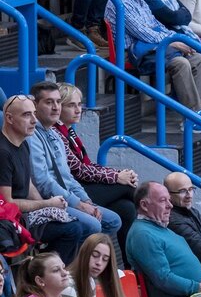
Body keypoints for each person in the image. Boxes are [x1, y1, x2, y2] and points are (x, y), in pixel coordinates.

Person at [105, 0, 201, 116]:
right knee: (180, 63)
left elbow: (156, 26)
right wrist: (173, 41)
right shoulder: (119, 2)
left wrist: (174, 39)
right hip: (134, 53)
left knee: (199, 58)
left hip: (153, 47)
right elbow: (143, 33)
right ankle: (193, 117)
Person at [54, 84, 138, 268]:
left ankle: (130, 269)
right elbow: (79, 170)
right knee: (128, 188)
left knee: (126, 208)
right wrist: (117, 178)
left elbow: (88, 165)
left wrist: (117, 174)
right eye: (71, 105)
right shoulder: (56, 134)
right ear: (58, 107)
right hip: (73, 191)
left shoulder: (70, 131)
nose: (78, 109)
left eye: (80, 104)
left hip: (83, 186)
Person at [28, 81, 121, 242]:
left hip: (67, 196)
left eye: (58, 102)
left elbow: (68, 176)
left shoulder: (56, 135)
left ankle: (80, 260)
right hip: (48, 201)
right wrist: (79, 204)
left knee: (113, 220)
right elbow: (43, 182)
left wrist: (86, 201)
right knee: (93, 225)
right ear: (35, 106)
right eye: (49, 102)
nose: (56, 107)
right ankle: (68, 264)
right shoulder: (32, 136)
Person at [0, 96, 81, 264]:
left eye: (34, 114)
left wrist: (48, 208)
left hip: (25, 213)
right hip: (12, 220)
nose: (34, 120)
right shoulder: (3, 153)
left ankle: (47, 272)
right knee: (73, 229)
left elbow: (28, 185)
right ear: (9, 118)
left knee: (73, 221)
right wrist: (47, 204)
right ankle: (43, 274)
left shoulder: (23, 144)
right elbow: (8, 204)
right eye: (26, 115)